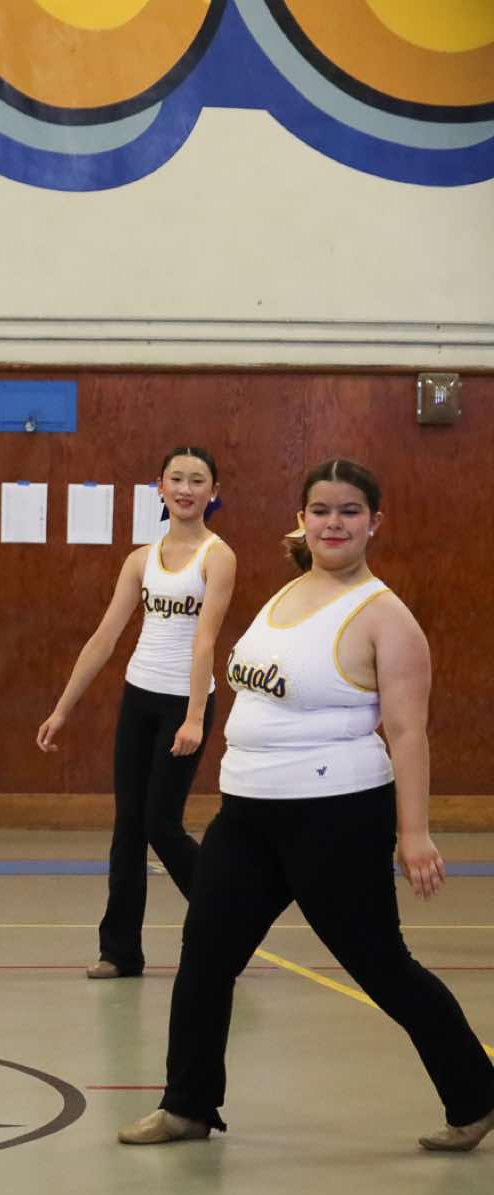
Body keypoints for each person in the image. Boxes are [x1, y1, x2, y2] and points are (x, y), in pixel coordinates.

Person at [121, 459, 494, 1150]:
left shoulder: (386, 617)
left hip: (336, 818)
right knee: (206, 953)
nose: (333, 523)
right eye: (321, 510)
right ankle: (188, 1106)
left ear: (374, 523)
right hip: (246, 815)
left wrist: (414, 833)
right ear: (302, 519)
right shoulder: (286, 595)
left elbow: (408, 733)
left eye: (349, 511)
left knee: (381, 964)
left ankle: (477, 1095)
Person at [38, 447, 235, 978]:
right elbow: (104, 637)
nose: (186, 489)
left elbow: (206, 640)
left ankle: (230, 913)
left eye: (197, 480)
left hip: (184, 702)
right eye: (177, 479)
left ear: (214, 492)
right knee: (128, 827)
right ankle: (120, 951)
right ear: (160, 487)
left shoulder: (218, 557)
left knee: (161, 825)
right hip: (139, 697)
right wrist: (62, 709)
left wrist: (194, 717)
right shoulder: (139, 560)